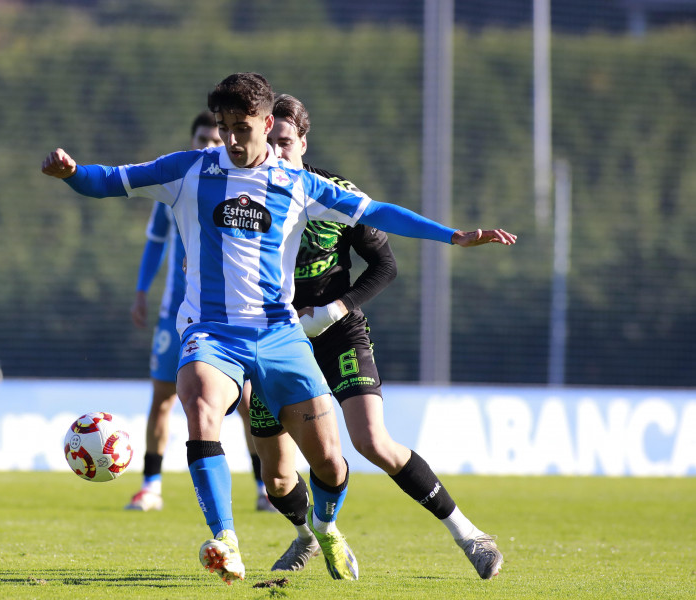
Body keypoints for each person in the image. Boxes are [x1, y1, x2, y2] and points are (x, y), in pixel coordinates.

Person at [41, 72, 515, 585]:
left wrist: (451, 236)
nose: (231, 139)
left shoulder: (301, 185)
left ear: (267, 124)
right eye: (223, 127)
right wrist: (71, 173)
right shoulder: (187, 171)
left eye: (242, 127)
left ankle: (325, 528)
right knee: (202, 407)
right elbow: (107, 180)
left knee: (331, 464)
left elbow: (377, 213)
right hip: (211, 330)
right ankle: (226, 541)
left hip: (280, 335)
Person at [250, 93, 504, 580]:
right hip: (278, 339)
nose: (278, 153)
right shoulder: (249, 194)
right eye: (272, 142)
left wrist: (333, 309)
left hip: (337, 332)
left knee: (371, 440)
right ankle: (309, 536)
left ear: (303, 140)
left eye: (286, 142)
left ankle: (469, 535)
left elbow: (385, 264)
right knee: (277, 477)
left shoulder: (330, 192)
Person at [126, 111, 275, 513]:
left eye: (216, 138)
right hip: (174, 309)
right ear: (192, 141)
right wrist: (142, 290)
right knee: (162, 397)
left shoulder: (240, 185)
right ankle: (150, 485)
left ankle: (263, 487)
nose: (211, 145)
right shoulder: (176, 186)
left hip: (224, 315)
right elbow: (156, 244)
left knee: (246, 402)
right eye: (203, 139)